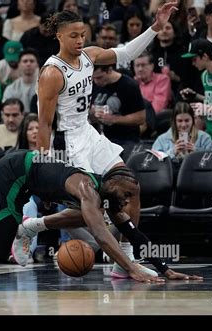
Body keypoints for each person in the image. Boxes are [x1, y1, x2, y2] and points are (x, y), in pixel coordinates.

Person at [0, 151, 202, 283]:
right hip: (14, 174)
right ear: (114, 184)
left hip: (23, 177)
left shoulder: (108, 194)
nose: (131, 201)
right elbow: (103, 238)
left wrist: (164, 268)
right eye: (130, 194)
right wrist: (132, 268)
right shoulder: (89, 192)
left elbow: (133, 234)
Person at [33, 4, 178, 277]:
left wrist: (155, 27)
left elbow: (125, 53)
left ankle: (125, 260)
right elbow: (44, 124)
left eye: (83, 35)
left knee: (130, 187)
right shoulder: (52, 73)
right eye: (73, 36)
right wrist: (44, 166)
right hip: (67, 143)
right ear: (60, 37)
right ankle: (33, 226)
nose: (79, 41)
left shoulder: (89, 56)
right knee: (96, 208)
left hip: (89, 134)